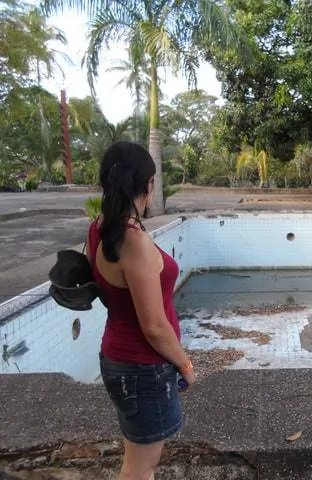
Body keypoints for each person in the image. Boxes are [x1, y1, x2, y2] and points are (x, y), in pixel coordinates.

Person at [85, 141, 195, 480]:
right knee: (141, 467)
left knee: (136, 458)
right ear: (149, 184)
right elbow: (154, 327)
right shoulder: (134, 242)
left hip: (119, 358)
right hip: (142, 369)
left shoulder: (100, 228)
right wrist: (185, 364)